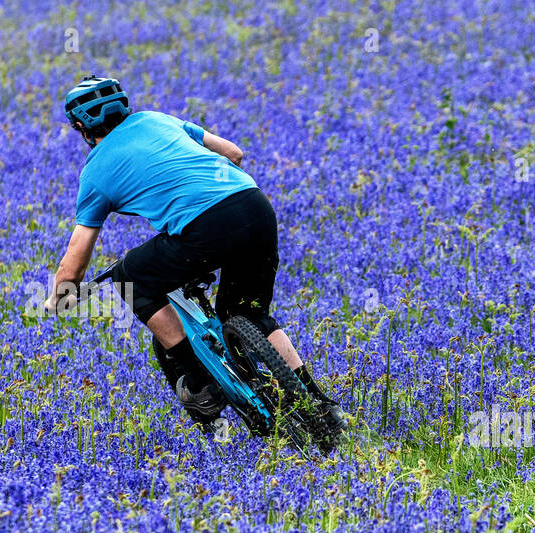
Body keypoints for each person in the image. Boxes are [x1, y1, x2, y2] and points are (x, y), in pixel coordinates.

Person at [46, 74, 343, 433]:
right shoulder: (157, 119)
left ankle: (198, 381)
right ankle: (320, 404)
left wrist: (60, 297)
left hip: (204, 228)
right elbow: (234, 152)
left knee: (130, 276)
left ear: (80, 127)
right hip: (253, 205)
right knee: (248, 313)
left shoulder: (95, 172)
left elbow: (74, 263)